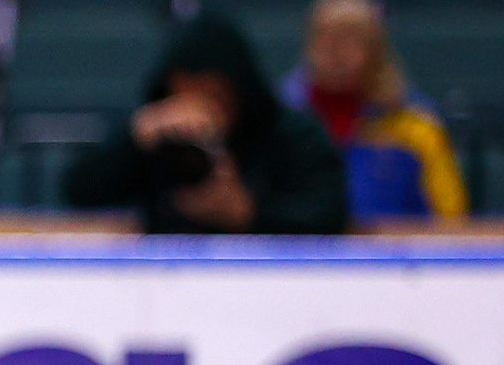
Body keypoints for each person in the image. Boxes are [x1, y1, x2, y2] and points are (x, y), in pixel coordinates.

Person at [62, 14, 348, 235]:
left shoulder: (293, 137)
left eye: (212, 96)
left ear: (239, 91)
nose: (197, 109)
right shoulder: (158, 140)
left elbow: (331, 217)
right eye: (183, 96)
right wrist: (136, 135)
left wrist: (249, 214)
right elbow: (78, 193)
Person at [280, 0, 466, 225]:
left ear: (376, 52)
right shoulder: (282, 120)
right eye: (327, 40)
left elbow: (452, 222)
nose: (338, 55)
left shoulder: (416, 127)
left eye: (351, 42)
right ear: (309, 46)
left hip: (396, 258)